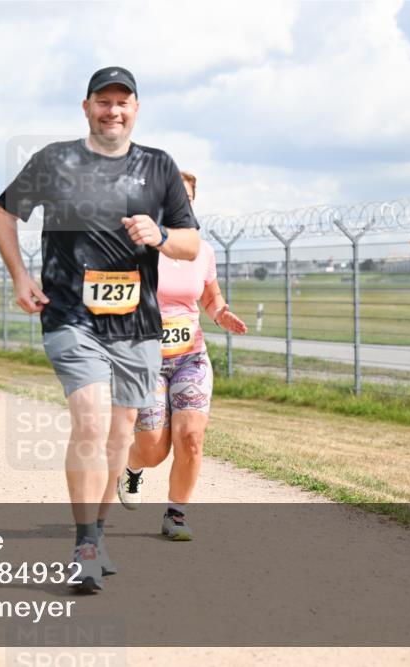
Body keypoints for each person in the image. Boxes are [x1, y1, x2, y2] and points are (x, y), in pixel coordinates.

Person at [0, 67, 200, 591]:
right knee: (89, 419)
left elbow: (190, 245)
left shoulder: (159, 166)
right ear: (86, 107)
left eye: (122, 102)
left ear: (136, 108)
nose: (113, 111)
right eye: (103, 102)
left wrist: (159, 235)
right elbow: (2, 214)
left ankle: (99, 532)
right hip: (69, 313)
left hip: (137, 323)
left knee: (119, 434)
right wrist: (20, 275)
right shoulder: (54, 160)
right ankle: (84, 543)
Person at [116, 170, 248, 540]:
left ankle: (176, 515)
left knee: (191, 436)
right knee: (154, 451)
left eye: (184, 198)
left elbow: (210, 296)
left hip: (191, 355)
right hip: (145, 360)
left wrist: (222, 313)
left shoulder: (202, 251)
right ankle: (132, 466)